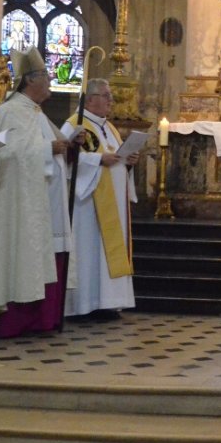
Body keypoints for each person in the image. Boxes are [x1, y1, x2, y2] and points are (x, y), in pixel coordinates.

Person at [0, 47, 74, 339]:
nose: (50, 82)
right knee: (15, 250)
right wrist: (47, 149)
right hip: (14, 200)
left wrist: (63, 145)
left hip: (35, 198)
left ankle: (35, 319)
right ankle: (13, 317)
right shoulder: (10, 110)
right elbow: (5, 152)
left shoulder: (34, 112)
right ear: (31, 80)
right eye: (46, 76)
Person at [61, 78, 139, 319]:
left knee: (105, 253)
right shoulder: (75, 125)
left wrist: (128, 162)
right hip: (87, 204)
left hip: (112, 202)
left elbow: (115, 157)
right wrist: (98, 160)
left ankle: (107, 302)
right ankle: (84, 305)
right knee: (88, 252)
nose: (111, 100)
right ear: (91, 98)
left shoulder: (109, 127)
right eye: (106, 96)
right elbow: (65, 159)